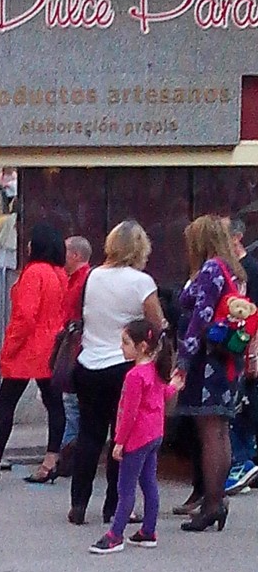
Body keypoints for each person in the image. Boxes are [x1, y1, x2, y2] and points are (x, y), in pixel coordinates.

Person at [69, 220, 165, 526]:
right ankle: (114, 506)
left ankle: (78, 503)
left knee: (89, 434)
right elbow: (157, 324)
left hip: (88, 363)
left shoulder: (93, 276)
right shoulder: (141, 282)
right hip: (122, 366)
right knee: (121, 437)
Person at [174, 215, 247, 532]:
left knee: (209, 432)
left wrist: (183, 360)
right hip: (229, 361)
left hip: (208, 363)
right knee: (221, 429)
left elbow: (199, 318)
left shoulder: (211, 270)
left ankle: (213, 503)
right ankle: (216, 501)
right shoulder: (235, 270)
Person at [0, 223, 67, 485]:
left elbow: (24, 317)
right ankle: (50, 460)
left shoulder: (34, 273)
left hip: (28, 350)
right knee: (54, 405)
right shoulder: (59, 273)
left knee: (5, 405)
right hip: (51, 348)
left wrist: (9, 347)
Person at [89, 321, 180, 554]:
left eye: (125, 343)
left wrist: (119, 442)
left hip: (137, 437)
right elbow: (164, 394)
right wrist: (176, 385)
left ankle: (115, 534)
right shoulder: (156, 369)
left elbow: (129, 413)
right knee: (149, 483)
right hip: (155, 433)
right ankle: (148, 530)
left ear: (141, 346)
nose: (121, 347)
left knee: (125, 487)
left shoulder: (134, 376)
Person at [223, 217, 258, 494]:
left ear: (236, 238)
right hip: (236, 344)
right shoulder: (229, 270)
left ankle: (242, 461)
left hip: (246, 344)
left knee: (243, 404)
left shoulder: (250, 270)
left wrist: (254, 351)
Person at [58, 236, 93, 476]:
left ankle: (69, 456)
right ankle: (70, 453)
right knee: (71, 405)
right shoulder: (74, 279)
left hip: (78, 348)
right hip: (74, 346)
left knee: (72, 406)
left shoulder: (85, 281)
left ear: (75, 255)